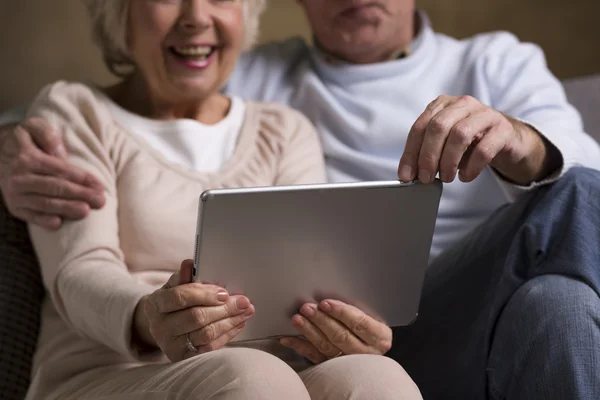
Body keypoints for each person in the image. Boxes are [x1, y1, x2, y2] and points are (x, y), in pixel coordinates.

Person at [2, 0, 600, 399]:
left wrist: (520, 140)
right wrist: (6, 144)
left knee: (562, 293)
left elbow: (585, 185)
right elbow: (116, 116)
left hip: (445, 319)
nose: (196, 17)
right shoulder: (257, 76)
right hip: (251, 346)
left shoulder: (493, 59)